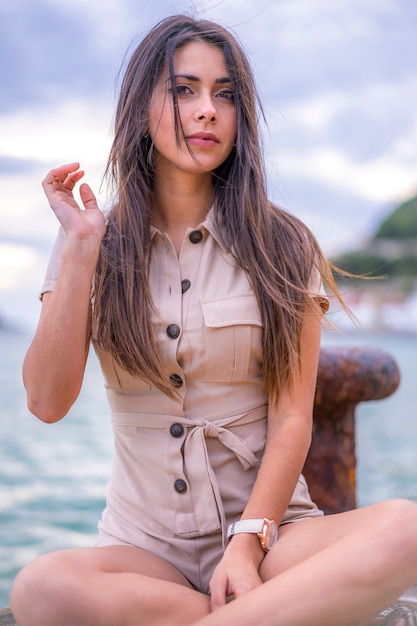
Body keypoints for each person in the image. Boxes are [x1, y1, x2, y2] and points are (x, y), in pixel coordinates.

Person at [10, 14, 417, 626]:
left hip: (270, 538)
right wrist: (80, 251)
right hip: (144, 551)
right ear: (139, 107)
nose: (207, 110)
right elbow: (45, 401)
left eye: (225, 94)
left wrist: (247, 547)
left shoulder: (282, 244)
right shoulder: (90, 243)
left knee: (406, 530)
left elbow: (291, 418)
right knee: (41, 590)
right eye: (183, 89)